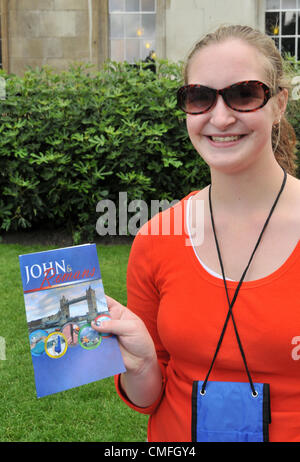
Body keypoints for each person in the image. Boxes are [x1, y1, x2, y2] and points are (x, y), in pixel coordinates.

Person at [92, 25, 300, 442]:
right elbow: (149, 396)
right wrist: (144, 363)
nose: (220, 117)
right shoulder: (156, 239)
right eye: (200, 97)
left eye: (244, 94)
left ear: (278, 104)